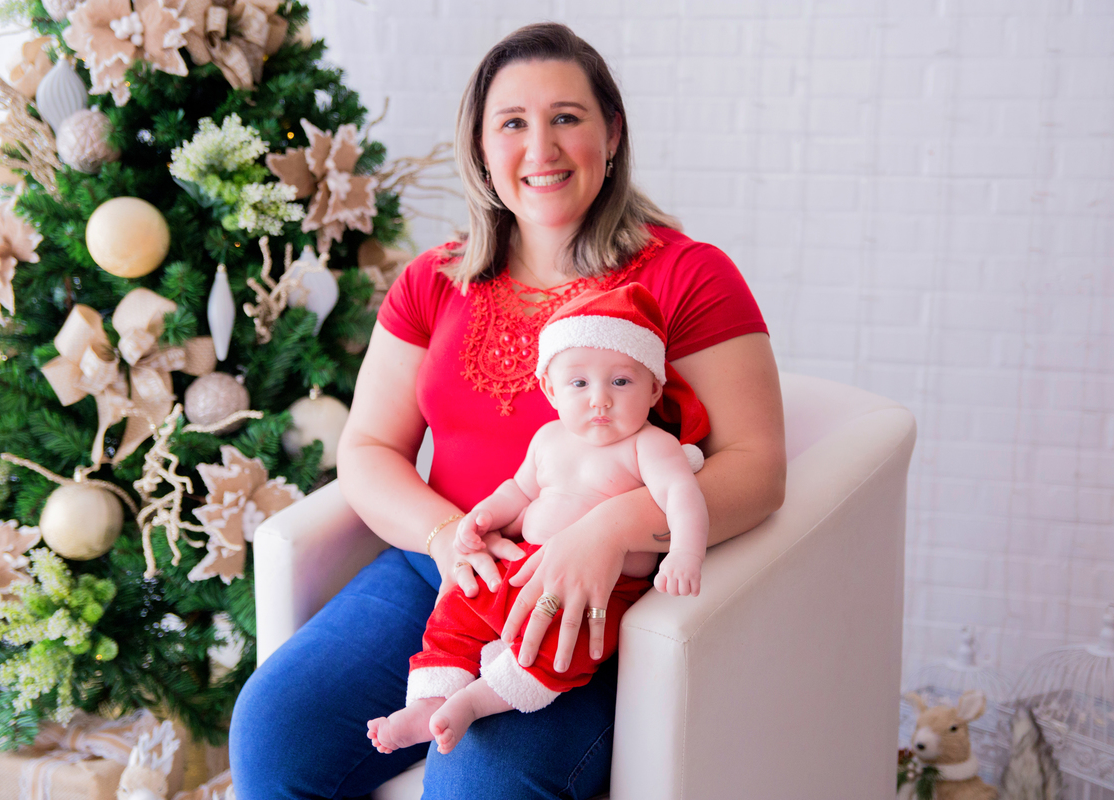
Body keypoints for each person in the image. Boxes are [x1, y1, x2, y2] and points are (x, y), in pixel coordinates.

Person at [229, 21, 786, 800]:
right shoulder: (434, 280)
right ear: (482, 149)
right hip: (446, 574)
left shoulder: (688, 276)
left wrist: (609, 529)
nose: (542, 148)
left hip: (589, 606)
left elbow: (758, 470)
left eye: (567, 117)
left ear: (612, 133)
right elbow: (369, 449)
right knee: (276, 731)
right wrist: (446, 537)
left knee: (478, 781)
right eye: (513, 124)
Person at [366, 283, 710, 757]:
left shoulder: (648, 446)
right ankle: (430, 697)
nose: (600, 400)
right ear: (550, 388)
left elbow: (683, 497)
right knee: (458, 608)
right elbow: (519, 491)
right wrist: (482, 518)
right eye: (579, 383)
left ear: (654, 388)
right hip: (519, 566)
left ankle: (477, 700)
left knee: (559, 648)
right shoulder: (549, 439)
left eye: (621, 382)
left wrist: (685, 555)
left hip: (597, 590)